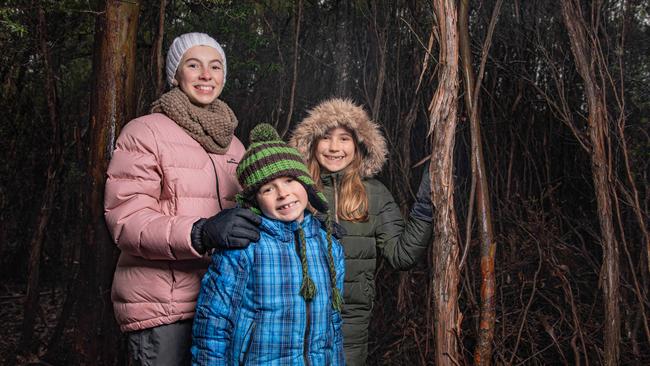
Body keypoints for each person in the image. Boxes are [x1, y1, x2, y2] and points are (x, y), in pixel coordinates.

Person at [104, 32, 260, 365]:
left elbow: (258, 212)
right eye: (194, 65)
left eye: (215, 66)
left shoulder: (234, 145)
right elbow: (127, 222)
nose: (207, 75)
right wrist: (200, 232)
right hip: (164, 307)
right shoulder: (145, 131)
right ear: (176, 74)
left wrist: (310, 227)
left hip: (221, 304)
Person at [289, 98, 433, 366]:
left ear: (358, 145)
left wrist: (425, 208)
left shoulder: (375, 194)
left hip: (350, 323)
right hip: (294, 319)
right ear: (311, 143)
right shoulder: (294, 188)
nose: (334, 147)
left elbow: (402, 256)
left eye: (344, 138)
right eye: (325, 138)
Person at [191, 124, 346, 365]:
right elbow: (213, 321)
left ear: (306, 184)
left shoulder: (329, 244)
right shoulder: (244, 246)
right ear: (254, 201)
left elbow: (333, 321)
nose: (283, 193)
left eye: (289, 180)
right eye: (267, 188)